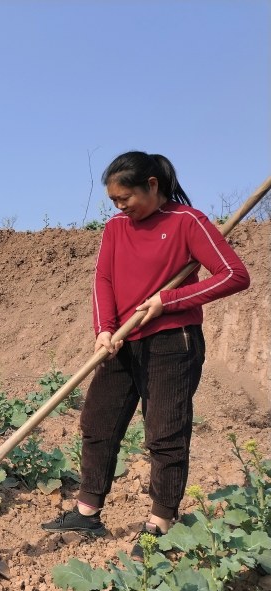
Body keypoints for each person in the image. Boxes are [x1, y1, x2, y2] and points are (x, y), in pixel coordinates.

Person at [41, 151, 250, 557]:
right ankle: (87, 512)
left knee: (165, 434)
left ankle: (160, 524)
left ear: (152, 185)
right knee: (98, 422)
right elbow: (104, 278)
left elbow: (234, 275)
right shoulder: (116, 227)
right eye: (114, 200)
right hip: (122, 341)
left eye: (126, 198)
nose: (120, 207)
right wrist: (104, 329)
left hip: (172, 342)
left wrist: (168, 300)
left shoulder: (187, 222)